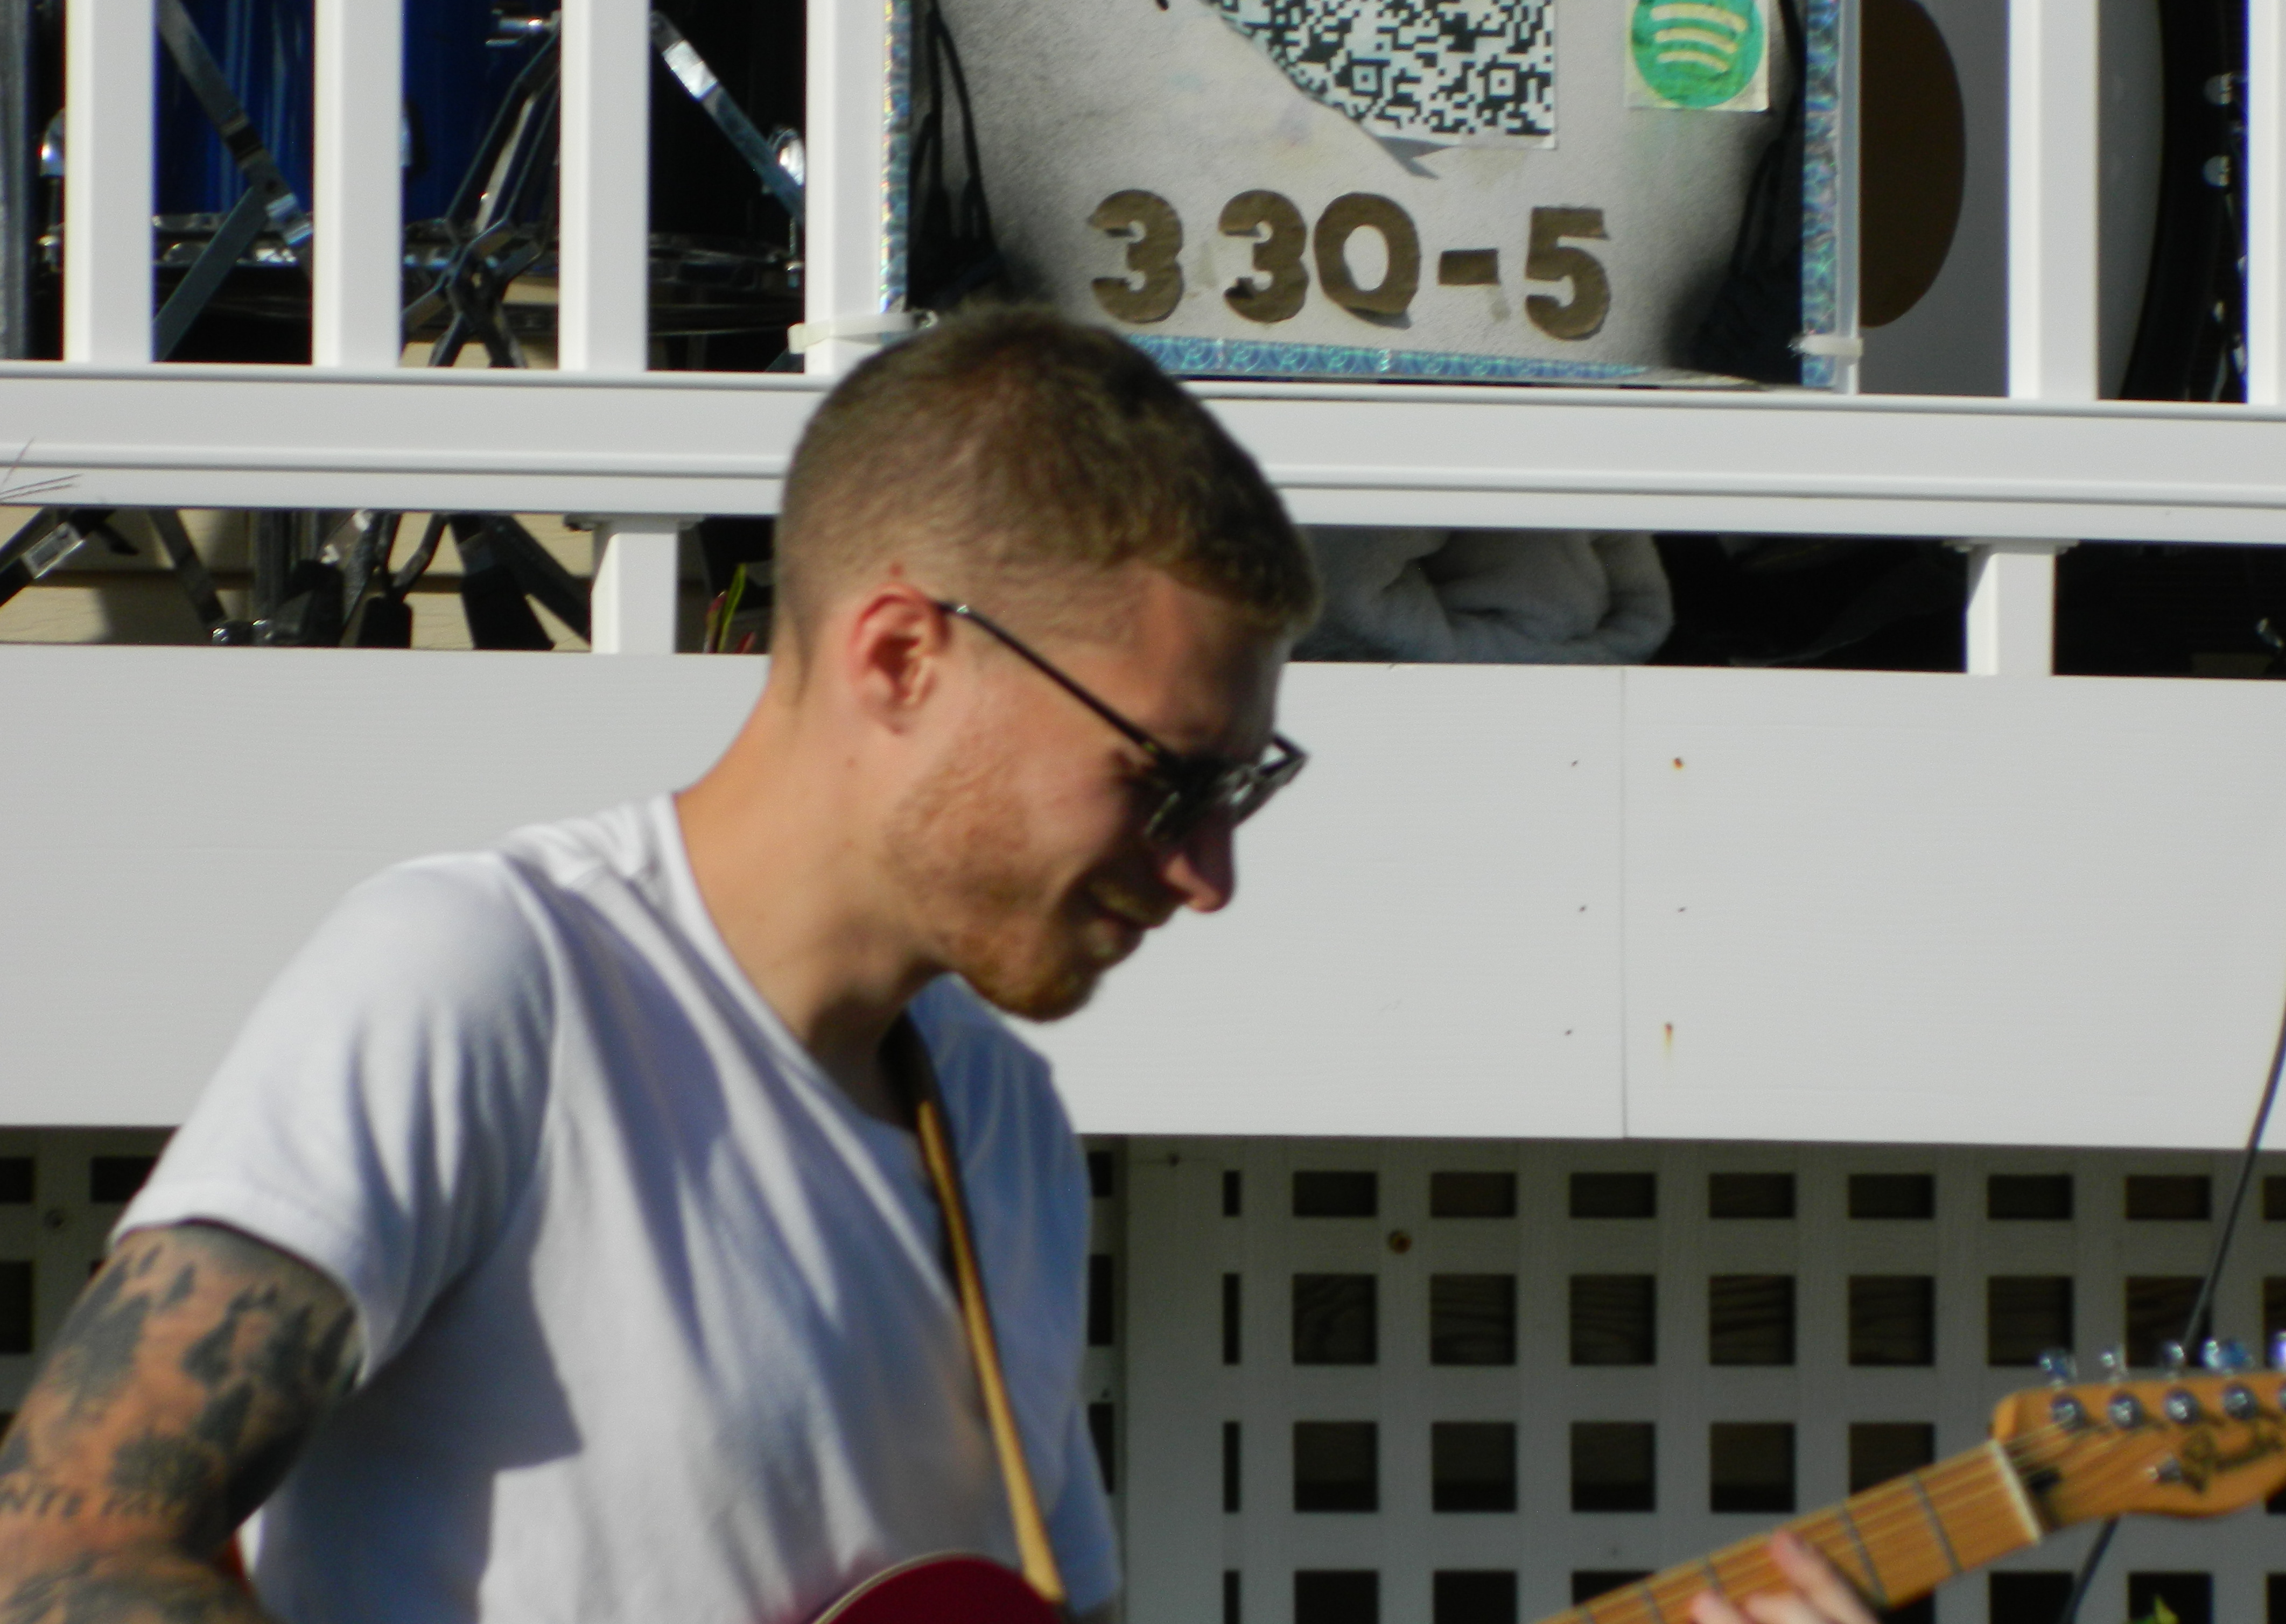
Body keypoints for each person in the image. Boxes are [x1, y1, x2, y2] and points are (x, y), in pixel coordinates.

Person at [0, 310, 1878, 1624]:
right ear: (903, 658)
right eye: (1165, 778)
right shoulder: (491, 981)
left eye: (1242, 793)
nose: (1208, 874)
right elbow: (64, 1552)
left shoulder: (1003, 1131)